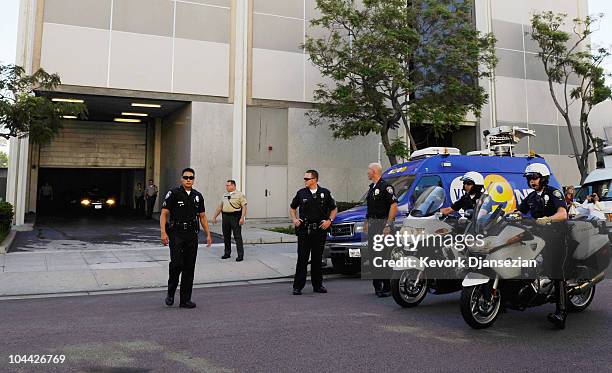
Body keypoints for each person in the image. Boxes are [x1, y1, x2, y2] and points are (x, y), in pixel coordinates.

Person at [516, 163, 568, 329]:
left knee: (555, 271)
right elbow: (519, 211)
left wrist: (549, 219)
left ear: (543, 178)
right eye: (530, 179)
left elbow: (563, 213)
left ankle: (561, 312)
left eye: (535, 178)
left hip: (556, 236)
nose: (532, 182)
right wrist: (508, 215)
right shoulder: (531, 197)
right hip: (537, 236)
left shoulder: (553, 192)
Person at [160, 168, 212, 309]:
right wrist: (163, 233)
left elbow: (202, 216)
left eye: (191, 177)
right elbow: (164, 214)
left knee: (189, 267)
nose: (188, 179)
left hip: (191, 235)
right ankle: (171, 293)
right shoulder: (174, 193)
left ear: (194, 179)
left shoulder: (197, 196)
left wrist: (208, 234)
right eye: (186, 177)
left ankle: (185, 300)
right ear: (181, 179)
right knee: (176, 264)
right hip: (176, 233)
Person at [289, 169, 337, 295]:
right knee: (302, 259)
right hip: (304, 231)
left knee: (317, 259)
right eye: (304, 178)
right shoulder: (301, 193)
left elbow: (334, 209)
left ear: (314, 180)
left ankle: (318, 285)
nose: (304, 181)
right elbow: (293, 207)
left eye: (307, 179)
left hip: (319, 231)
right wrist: (294, 219)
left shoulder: (325, 193)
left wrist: (329, 221)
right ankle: (298, 286)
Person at [365, 163, 398, 297]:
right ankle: (377, 286)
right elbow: (370, 207)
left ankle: (387, 287)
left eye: (368, 171)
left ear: (373, 171)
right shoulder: (372, 188)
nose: (367, 173)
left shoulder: (386, 187)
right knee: (374, 255)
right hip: (373, 224)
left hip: (383, 224)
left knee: (384, 256)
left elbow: (393, 205)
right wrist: (366, 221)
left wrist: (388, 225)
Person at [212, 180, 248, 261]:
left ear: (233, 186)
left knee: (237, 236)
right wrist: (214, 217)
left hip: (235, 217)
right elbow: (220, 207)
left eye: (228, 185)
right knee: (226, 236)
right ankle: (227, 253)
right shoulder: (224, 195)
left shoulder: (240, 195)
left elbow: (244, 207)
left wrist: (242, 218)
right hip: (225, 217)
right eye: (226, 185)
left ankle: (240, 255)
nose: (226, 187)